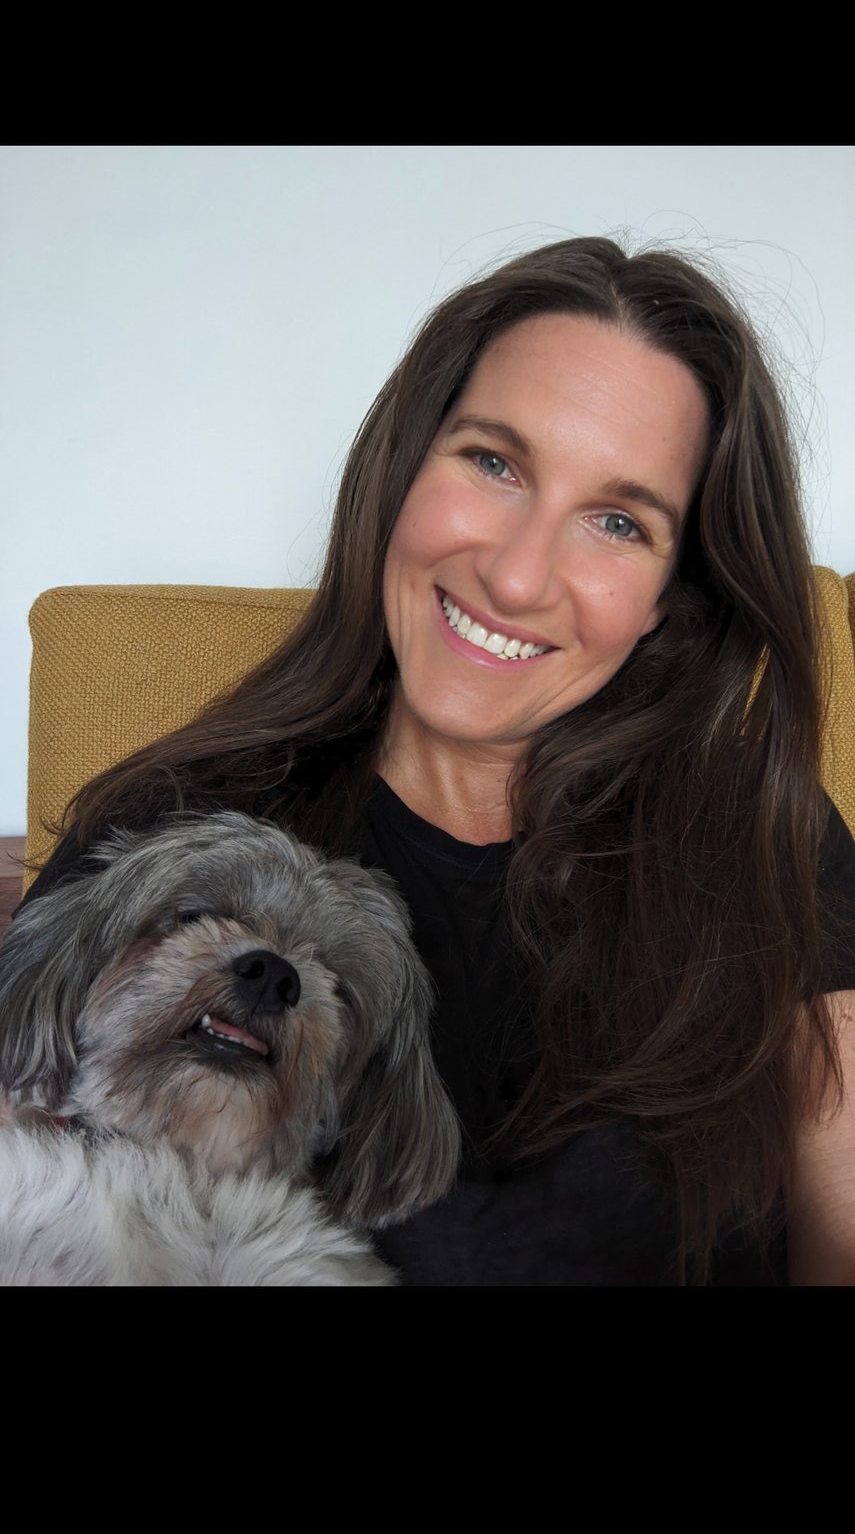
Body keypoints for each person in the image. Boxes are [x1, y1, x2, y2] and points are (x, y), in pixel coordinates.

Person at [14, 236, 855, 1285]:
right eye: (494, 463)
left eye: (616, 521)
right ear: (405, 466)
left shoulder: (765, 837)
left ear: (665, 601)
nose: (516, 578)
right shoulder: (168, 826)